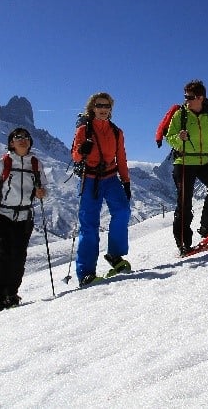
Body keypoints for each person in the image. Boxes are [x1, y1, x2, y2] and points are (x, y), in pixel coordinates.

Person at [0, 127, 47, 313]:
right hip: (2, 215)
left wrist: (41, 192)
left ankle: (11, 293)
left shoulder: (35, 164)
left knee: (19, 256)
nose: (23, 140)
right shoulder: (3, 163)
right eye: (18, 138)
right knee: (5, 255)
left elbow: (43, 187)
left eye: (26, 137)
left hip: (25, 216)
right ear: (11, 143)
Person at [164, 80, 208, 255]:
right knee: (184, 202)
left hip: (207, 160)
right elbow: (169, 137)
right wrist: (179, 138)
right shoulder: (180, 115)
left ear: (201, 97)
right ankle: (183, 244)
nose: (186, 100)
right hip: (184, 161)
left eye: (190, 97)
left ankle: (207, 229)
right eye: (185, 96)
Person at [70, 92, 133, 285]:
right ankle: (86, 273)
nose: (103, 109)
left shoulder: (116, 131)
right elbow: (75, 157)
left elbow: (120, 158)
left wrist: (126, 181)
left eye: (106, 106)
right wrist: (82, 151)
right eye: (99, 106)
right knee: (89, 225)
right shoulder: (83, 130)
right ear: (92, 108)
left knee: (122, 211)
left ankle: (115, 256)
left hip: (111, 177)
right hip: (90, 179)